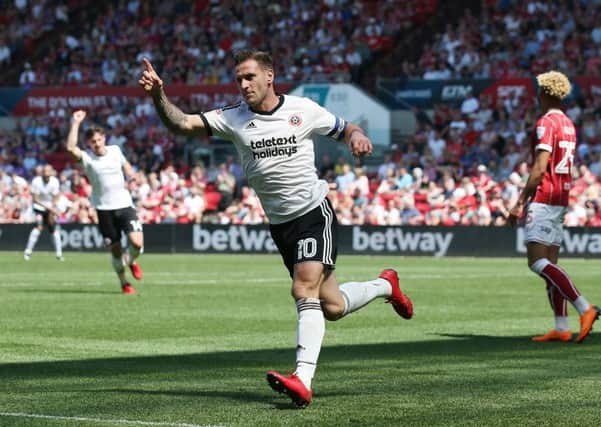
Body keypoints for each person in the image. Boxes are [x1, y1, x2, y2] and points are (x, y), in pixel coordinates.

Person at [139, 50, 414, 407]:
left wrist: (356, 138)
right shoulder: (232, 118)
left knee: (303, 288)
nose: (243, 84)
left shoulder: (303, 109)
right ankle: (384, 285)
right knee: (331, 306)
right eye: (238, 78)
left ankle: (302, 379)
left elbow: (347, 127)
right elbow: (182, 124)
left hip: (314, 213)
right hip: (281, 226)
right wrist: (159, 95)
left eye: (249, 77)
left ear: (270, 76)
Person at [508, 71, 599, 344]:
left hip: (545, 196)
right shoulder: (569, 124)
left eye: (539, 91)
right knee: (552, 266)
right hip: (561, 196)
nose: (537, 95)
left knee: (537, 262)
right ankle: (561, 326)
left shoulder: (546, 123)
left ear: (545, 93)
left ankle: (585, 308)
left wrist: (520, 202)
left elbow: (539, 168)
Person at [65, 110, 144, 295]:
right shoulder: (87, 158)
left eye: (99, 140)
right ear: (89, 143)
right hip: (104, 209)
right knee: (116, 250)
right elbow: (70, 148)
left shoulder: (116, 150)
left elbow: (126, 165)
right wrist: (75, 123)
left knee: (137, 243)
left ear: (104, 138)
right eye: (93, 141)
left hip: (124, 205)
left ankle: (132, 261)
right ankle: (124, 283)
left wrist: (131, 174)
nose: (97, 144)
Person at [24, 164, 64, 261]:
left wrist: (52, 208)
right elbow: (35, 199)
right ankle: (28, 252)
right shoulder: (36, 181)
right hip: (39, 207)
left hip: (50, 206)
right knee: (39, 227)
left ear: (51, 173)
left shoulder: (54, 181)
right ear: (42, 173)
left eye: (48, 172)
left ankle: (59, 253)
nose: (46, 174)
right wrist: (50, 209)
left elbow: (56, 196)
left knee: (53, 228)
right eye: (44, 172)